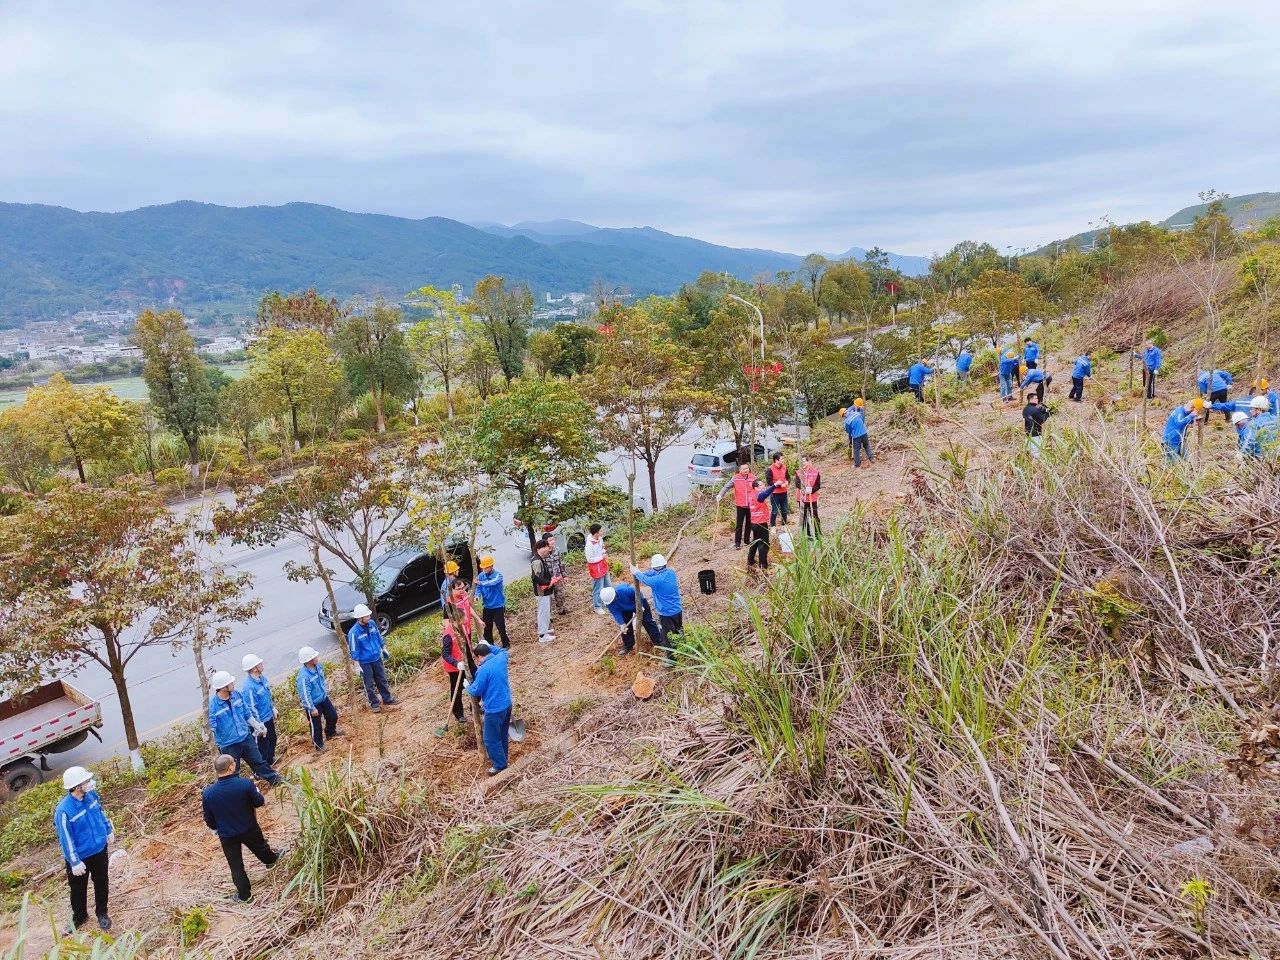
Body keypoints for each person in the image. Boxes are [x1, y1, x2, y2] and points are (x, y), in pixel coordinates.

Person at [201, 754, 280, 903]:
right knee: (260, 847)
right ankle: (271, 861)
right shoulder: (245, 784)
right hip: (248, 827)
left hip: (226, 834)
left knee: (236, 865)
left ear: (217, 770)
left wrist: (217, 827)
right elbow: (259, 802)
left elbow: (208, 819)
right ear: (231, 767)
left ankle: (245, 895)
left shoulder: (208, 793)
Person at [55, 766, 113, 933]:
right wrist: (74, 862)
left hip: (99, 850)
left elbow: (100, 814)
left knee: (101, 882)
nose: (90, 783)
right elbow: (66, 839)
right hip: (80, 858)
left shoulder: (91, 796)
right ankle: (79, 917)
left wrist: (108, 831)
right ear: (77, 786)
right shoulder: (64, 811)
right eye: (86, 781)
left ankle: (102, 913)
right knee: (78, 889)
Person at [207, 671, 281, 785]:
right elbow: (211, 726)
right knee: (232, 772)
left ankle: (275, 780)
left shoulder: (237, 694)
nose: (233, 683)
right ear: (223, 688)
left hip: (245, 738)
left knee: (259, 762)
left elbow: (246, 713)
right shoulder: (213, 706)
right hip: (228, 745)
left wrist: (256, 725)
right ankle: (236, 794)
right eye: (230, 682)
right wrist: (208, 734)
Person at [465, 643, 513, 775]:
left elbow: (476, 690)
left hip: (494, 709)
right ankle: (503, 757)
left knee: (491, 739)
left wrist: (467, 687)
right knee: (502, 734)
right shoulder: (502, 658)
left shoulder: (483, 670)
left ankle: (500, 765)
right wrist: (487, 644)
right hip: (507, 704)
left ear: (480, 657)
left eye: (477, 658)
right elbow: (501, 650)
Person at [630, 554, 682, 668]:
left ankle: (672, 661)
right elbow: (651, 573)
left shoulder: (656, 580)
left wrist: (637, 573)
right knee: (678, 632)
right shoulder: (670, 572)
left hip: (666, 613)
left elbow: (646, 580)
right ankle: (682, 650)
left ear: (655, 567)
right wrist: (640, 572)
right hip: (677, 609)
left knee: (667, 637)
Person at [347, 603, 396, 712]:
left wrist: (383, 648)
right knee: (369, 685)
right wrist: (356, 665)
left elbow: (378, 636)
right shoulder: (354, 633)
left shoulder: (372, 624)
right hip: (365, 662)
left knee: (382, 679)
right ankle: (374, 704)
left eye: (369, 615)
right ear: (360, 618)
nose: (369, 617)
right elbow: (354, 650)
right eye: (366, 616)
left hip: (376, 658)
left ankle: (387, 698)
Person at [296, 647, 343, 752]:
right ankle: (318, 745)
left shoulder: (318, 666)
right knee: (316, 726)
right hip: (313, 704)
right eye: (314, 657)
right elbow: (304, 694)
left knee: (332, 716)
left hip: (323, 698)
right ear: (309, 660)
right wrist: (311, 708)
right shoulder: (303, 677)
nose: (317, 657)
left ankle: (330, 732)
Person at [599, 584, 661, 655]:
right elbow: (615, 612)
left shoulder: (625, 590)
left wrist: (640, 606)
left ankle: (658, 641)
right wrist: (621, 624)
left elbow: (639, 595)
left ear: (614, 595)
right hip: (624, 610)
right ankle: (628, 645)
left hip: (638, 604)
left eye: (613, 600)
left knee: (648, 621)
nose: (612, 602)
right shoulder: (608, 601)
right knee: (625, 628)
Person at [241, 654, 277, 767]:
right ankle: (262, 770)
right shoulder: (249, 687)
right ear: (253, 668)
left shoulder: (262, 678)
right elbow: (251, 707)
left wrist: (273, 708)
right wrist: (259, 724)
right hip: (260, 722)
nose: (262, 664)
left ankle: (270, 763)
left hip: (268, 717)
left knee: (273, 740)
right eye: (259, 664)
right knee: (262, 747)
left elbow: (267, 695)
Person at [715, 462, 756, 550]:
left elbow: (757, 487)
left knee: (749, 523)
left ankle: (746, 540)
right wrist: (720, 495)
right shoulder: (736, 478)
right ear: (740, 470)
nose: (746, 470)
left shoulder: (752, 477)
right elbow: (726, 487)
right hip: (740, 505)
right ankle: (737, 542)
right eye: (744, 469)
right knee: (739, 524)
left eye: (747, 468)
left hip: (750, 504)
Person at [439, 611, 469, 725]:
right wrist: (456, 664)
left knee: (473, 681)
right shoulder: (448, 635)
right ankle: (459, 714)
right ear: (456, 620)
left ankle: (475, 706)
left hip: (464, 662)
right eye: (463, 617)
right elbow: (445, 654)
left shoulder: (462, 628)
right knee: (456, 690)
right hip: (454, 667)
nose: (466, 619)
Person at [475, 555, 510, 649]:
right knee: (487, 627)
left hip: (498, 605)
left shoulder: (498, 575)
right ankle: (490, 645)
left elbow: (491, 583)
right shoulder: (481, 576)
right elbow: (478, 588)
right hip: (487, 606)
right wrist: (477, 596)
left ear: (491, 566)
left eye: (486, 567)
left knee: (501, 626)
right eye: (483, 567)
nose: (484, 569)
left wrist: (480, 583)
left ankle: (506, 643)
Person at [530, 538, 559, 644]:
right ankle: (542, 635)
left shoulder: (541, 559)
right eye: (545, 547)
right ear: (539, 549)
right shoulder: (537, 561)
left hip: (546, 590)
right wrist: (549, 582)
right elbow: (536, 577)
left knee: (546, 612)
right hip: (541, 592)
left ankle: (545, 630)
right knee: (543, 612)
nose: (547, 549)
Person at [746, 479, 778, 571]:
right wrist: (775, 485)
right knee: (764, 544)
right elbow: (765, 493)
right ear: (755, 487)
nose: (763, 486)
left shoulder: (751, 494)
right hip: (760, 523)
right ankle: (763, 565)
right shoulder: (758, 495)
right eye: (760, 485)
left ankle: (750, 560)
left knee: (755, 542)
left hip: (754, 523)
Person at [584, 523, 611, 614]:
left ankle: (609, 602)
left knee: (608, 585)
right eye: (600, 531)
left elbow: (602, 548)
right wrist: (601, 557)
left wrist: (603, 553)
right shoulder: (589, 544)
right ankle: (597, 606)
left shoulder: (600, 539)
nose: (602, 532)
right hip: (596, 568)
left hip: (603, 565)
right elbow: (589, 559)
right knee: (598, 588)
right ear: (596, 533)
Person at [796, 454, 821, 536]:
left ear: (808, 461)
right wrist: (804, 489)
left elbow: (818, 485)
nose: (802, 463)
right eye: (801, 461)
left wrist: (811, 490)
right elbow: (797, 483)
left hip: (812, 498)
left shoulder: (815, 472)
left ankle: (818, 534)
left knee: (814, 516)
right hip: (802, 499)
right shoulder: (799, 472)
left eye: (804, 461)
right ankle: (807, 534)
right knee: (804, 518)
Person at [545, 532, 570, 616]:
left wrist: (564, 575)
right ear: (545, 542)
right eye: (550, 540)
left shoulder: (557, 550)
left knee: (560, 595)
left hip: (558, 577)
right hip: (548, 580)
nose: (552, 541)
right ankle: (549, 615)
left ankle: (561, 609)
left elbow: (561, 563)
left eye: (553, 539)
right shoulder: (544, 553)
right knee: (549, 598)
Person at [1022, 392, 1051, 457]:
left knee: (1029, 451)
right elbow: (1041, 420)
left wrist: (1041, 411)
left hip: (1027, 432)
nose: (1038, 399)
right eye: (1036, 398)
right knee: (1036, 452)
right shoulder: (1035, 410)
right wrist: (1047, 413)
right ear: (1031, 399)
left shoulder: (1025, 409)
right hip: (1035, 434)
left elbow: (1033, 416)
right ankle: (1036, 465)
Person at [845, 400, 873, 466]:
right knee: (864, 445)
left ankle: (858, 463)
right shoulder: (850, 409)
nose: (858, 407)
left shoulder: (861, 410)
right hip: (859, 431)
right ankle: (870, 458)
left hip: (857, 433)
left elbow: (862, 419)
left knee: (857, 448)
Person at [766, 453, 790, 527]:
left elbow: (788, 477)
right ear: (776, 460)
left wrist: (787, 482)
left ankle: (784, 525)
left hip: (784, 492)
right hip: (775, 493)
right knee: (774, 511)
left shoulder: (784, 467)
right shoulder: (770, 469)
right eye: (782, 459)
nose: (783, 460)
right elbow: (769, 482)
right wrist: (779, 485)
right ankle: (772, 526)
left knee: (785, 510)